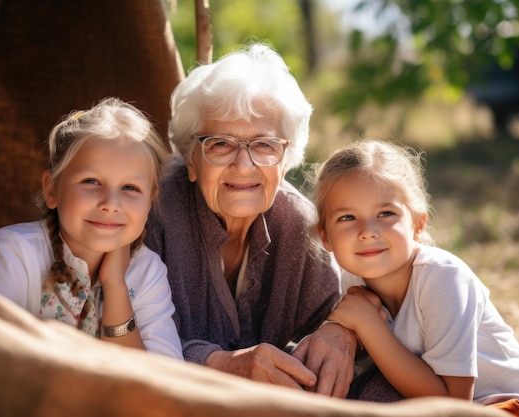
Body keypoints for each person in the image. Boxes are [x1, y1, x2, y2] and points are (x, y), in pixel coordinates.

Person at [144, 42, 399, 399]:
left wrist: (342, 331)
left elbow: (338, 317)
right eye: (220, 144)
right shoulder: (151, 213)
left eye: (264, 145)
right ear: (190, 158)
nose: (244, 166)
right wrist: (221, 364)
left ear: (285, 158)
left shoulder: (299, 225)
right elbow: (119, 341)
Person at [313, 139, 519, 415]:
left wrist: (368, 325)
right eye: (347, 218)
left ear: (417, 224)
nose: (367, 231)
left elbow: (454, 405)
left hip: (517, 405)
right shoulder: (353, 279)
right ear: (325, 236)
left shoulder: (443, 278)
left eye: (385, 213)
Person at [0, 97, 183, 359]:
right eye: (91, 181)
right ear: (51, 189)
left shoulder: (148, 272)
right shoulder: (12, 255)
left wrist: (116, 287)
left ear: (150, 201)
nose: (111, 204)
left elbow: (164, 382)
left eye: (130, 188)